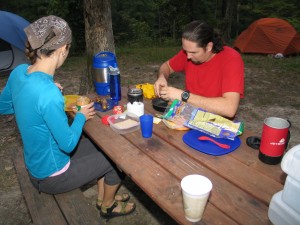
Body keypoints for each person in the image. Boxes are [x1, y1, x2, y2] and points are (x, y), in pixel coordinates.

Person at [0, 15, 135, 219]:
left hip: (38, 164)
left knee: (104, 146)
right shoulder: (48, 93)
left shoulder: (19, 73)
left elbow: (4, 107)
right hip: (52, 176)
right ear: (62, 49)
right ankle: (108, 205)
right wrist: (80, 116)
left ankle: (102, 196)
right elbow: (69, 144)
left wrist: (35, 98)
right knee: (119, 156)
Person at [154, 20, 244, 119]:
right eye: (185, 51)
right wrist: (162, 77)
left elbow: (229, 108)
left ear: (209, 46)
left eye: (193, 52)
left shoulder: (231, 58)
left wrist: (183, 96)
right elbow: (166, 66)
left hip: (217, 122)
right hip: (189, 115)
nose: (188, 56)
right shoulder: (189, 52)